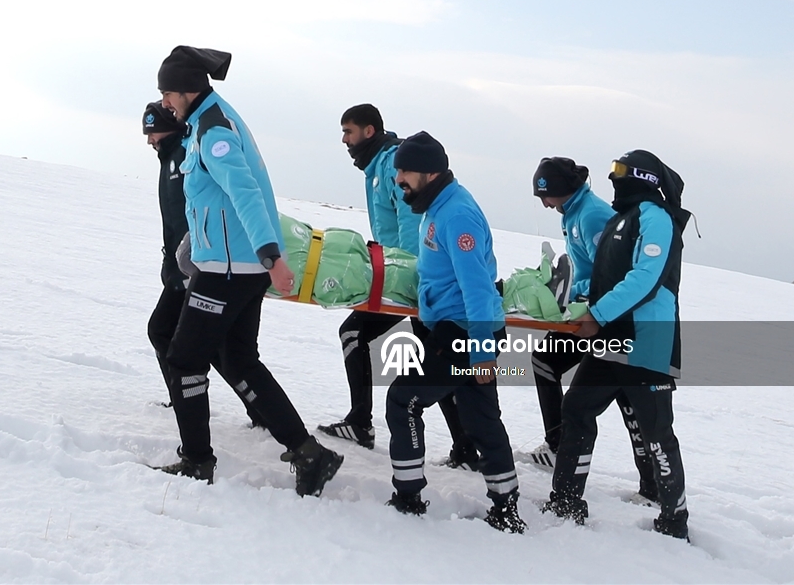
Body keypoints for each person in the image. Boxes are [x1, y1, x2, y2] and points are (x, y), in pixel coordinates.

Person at [154, 45, 343, 496]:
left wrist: (271, 258)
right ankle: (309, 454)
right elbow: (213, 199)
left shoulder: (214, 130)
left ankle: (197, 460)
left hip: (231, 268)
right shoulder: (208, 120)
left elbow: (245, 193)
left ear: (187, 89)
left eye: (167, 93)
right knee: (237, 359)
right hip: (231, 263)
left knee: (184, 359)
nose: (164, 102)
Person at [318, 105, 478, 470]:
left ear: (368, 131)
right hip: (401, 275)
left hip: (410, 279)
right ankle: (466, 448)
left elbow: (410, 225)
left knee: (360, 335)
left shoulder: (392, 164)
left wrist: (405, 274)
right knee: (433, 356)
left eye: (348, 131)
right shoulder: (377, 165)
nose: (344, 139)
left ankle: (362, 423)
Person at [543, 149, 690, 540]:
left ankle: (674, 519)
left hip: (646, 343)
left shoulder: (657, 218)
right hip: (610, 340)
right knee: (576, 409)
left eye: (621, 172)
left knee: (656, 432)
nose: (614, 178)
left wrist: (597, 314)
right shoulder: (621, 218)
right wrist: (564, 298)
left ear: (643, 177)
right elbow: (603, 278)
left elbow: (646, 278)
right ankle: (566, 501)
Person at [383, 132, 525, 533]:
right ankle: (506, 507)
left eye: (405, 171)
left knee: (403, 400)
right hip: (456, 329)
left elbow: (477, 289)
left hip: (464, 333)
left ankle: (408, 497)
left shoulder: (457, 216)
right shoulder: (436, 206)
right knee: (481, 420)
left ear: (430, 173)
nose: (399, 179)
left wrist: (480, 353)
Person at [524, 157, 658, 505]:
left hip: (606, 316)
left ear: (562, 189)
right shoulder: (572, 212)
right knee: (547, 362)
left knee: (623, 395)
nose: (544, 203)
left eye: (546, 195)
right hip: (589, 310)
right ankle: (559, 445)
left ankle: (652, 486)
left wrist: (578, 296)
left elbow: (611, 272)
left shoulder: (592, 215)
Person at [142, 101, 265, 427]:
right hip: (187, 266)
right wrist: (169, 261)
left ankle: (189, 401)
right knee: (215, 348)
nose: (149, 140)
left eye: (153, 131)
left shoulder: (187, 154)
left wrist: (188, 264)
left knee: (175, 336)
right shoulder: (171, 158)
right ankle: (254, 412)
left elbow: (205, 211)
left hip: (203, 266)